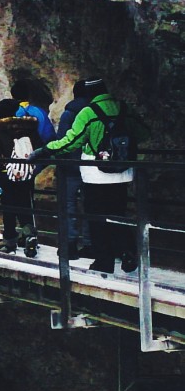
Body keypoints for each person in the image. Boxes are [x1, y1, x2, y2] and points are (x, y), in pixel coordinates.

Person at [29, 78, 148, 273]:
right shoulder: (123, 108)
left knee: (96, 217)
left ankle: (104, 261)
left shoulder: (89, 112)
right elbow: (143, 133)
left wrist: (45, 150)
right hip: (123, 172)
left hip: (96, 174)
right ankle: (127, 251)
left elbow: (70, 142)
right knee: (118, 214)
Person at [0, 99, 39, 254]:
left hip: (6, 176)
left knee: (8, 209)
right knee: (25, 206)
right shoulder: (29, 128)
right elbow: (39, 148)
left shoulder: (0, 131)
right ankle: (29, 235)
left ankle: (9, 241)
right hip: (26, 175)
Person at [55, 80, 90, 259]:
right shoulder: (94, 113)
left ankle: (70, 245)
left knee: (69, 206)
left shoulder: (69, 114)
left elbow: (62, 140)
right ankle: (90, 243)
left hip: (70, 168)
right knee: (89, 205)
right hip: (91, 167)